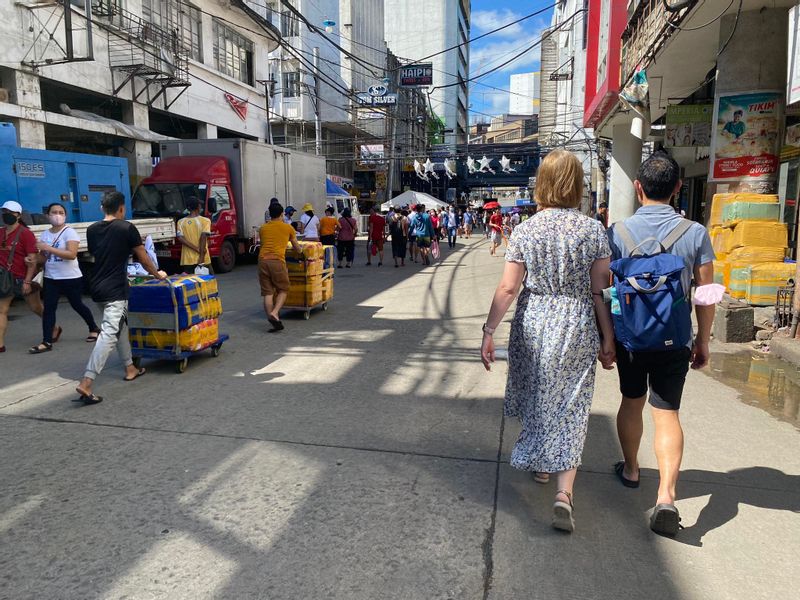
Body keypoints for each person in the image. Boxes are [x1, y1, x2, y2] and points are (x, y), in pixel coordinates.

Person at [481, 150, 615, 533]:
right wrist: (608, 339)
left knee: (538, 391)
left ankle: (541, 464)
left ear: (542, 183)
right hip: (576, 322)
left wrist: (489, 332)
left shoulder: (526, 229)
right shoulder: (593, 231)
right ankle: (563, 494)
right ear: (577, 185)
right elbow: (599, 291)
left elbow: (509, 287)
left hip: (534, 319)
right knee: (571, 403)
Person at [607, 152, 715, 537]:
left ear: (638, 188)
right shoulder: (696, 233)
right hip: (674, 339)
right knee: (667, 413)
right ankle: (666, 496)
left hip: (631, 339)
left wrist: (607, 339)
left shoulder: (616, 234)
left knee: (631, 402)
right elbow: (705, 294)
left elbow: (606, 294)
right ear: (678, 188)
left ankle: (632, 469)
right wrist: (702, 340)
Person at [74, 192, 166, 405]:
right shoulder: (127, 228)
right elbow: (143, 258)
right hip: (116, 290)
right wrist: (157, 274)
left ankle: (130, 367)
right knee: (108, 333)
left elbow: (104, 253)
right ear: (122, 209)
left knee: (120, 327)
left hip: (96, 288)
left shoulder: (92, 229)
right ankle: (87, 382)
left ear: (101, 208)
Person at [27, 203, 100, 354]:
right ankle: (46, 341)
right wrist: (34, 260)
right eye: (54, 212)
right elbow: (43, 257)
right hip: (51, 277)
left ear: (65, 216)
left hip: (70, 277)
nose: (57, 215)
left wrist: (49, 248)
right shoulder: (46, 235)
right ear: (48, 216)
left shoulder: (70, 233)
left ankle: (94, 328)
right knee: (49, 309)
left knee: (77, 304)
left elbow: (71, 254)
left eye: (61, 212)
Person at [0, 200, 48, 353]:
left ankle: (53, 328)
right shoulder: (0, 232)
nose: (6, 215)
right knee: (2, 310)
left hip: (22, 278)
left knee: (35, 307)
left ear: (19, 215)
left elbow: (32, 260)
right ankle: (0, 344)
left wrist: (27, 282)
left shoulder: (26, 234)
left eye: (10, 212)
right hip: (5, 279)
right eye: (4, 212)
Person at [258, 202, 304, 333]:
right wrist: (301, 252)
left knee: (268, 292)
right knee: (283, 289)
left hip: (262, 261)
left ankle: (273, 319)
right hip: (277, 261)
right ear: (282, 214)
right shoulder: (288, 228)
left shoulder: (263, 228)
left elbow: (264, 243)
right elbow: (296, 247)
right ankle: (275, 312)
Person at [176, 196, 212, 273]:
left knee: (190, 284)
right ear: (198, 206)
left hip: (187, 260)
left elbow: (180, 238)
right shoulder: (205, 221)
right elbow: (203, 237)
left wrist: (196, 249)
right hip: (203, 259)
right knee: (208, 283)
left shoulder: (180, 222)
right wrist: (201, 257)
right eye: (200, 205)